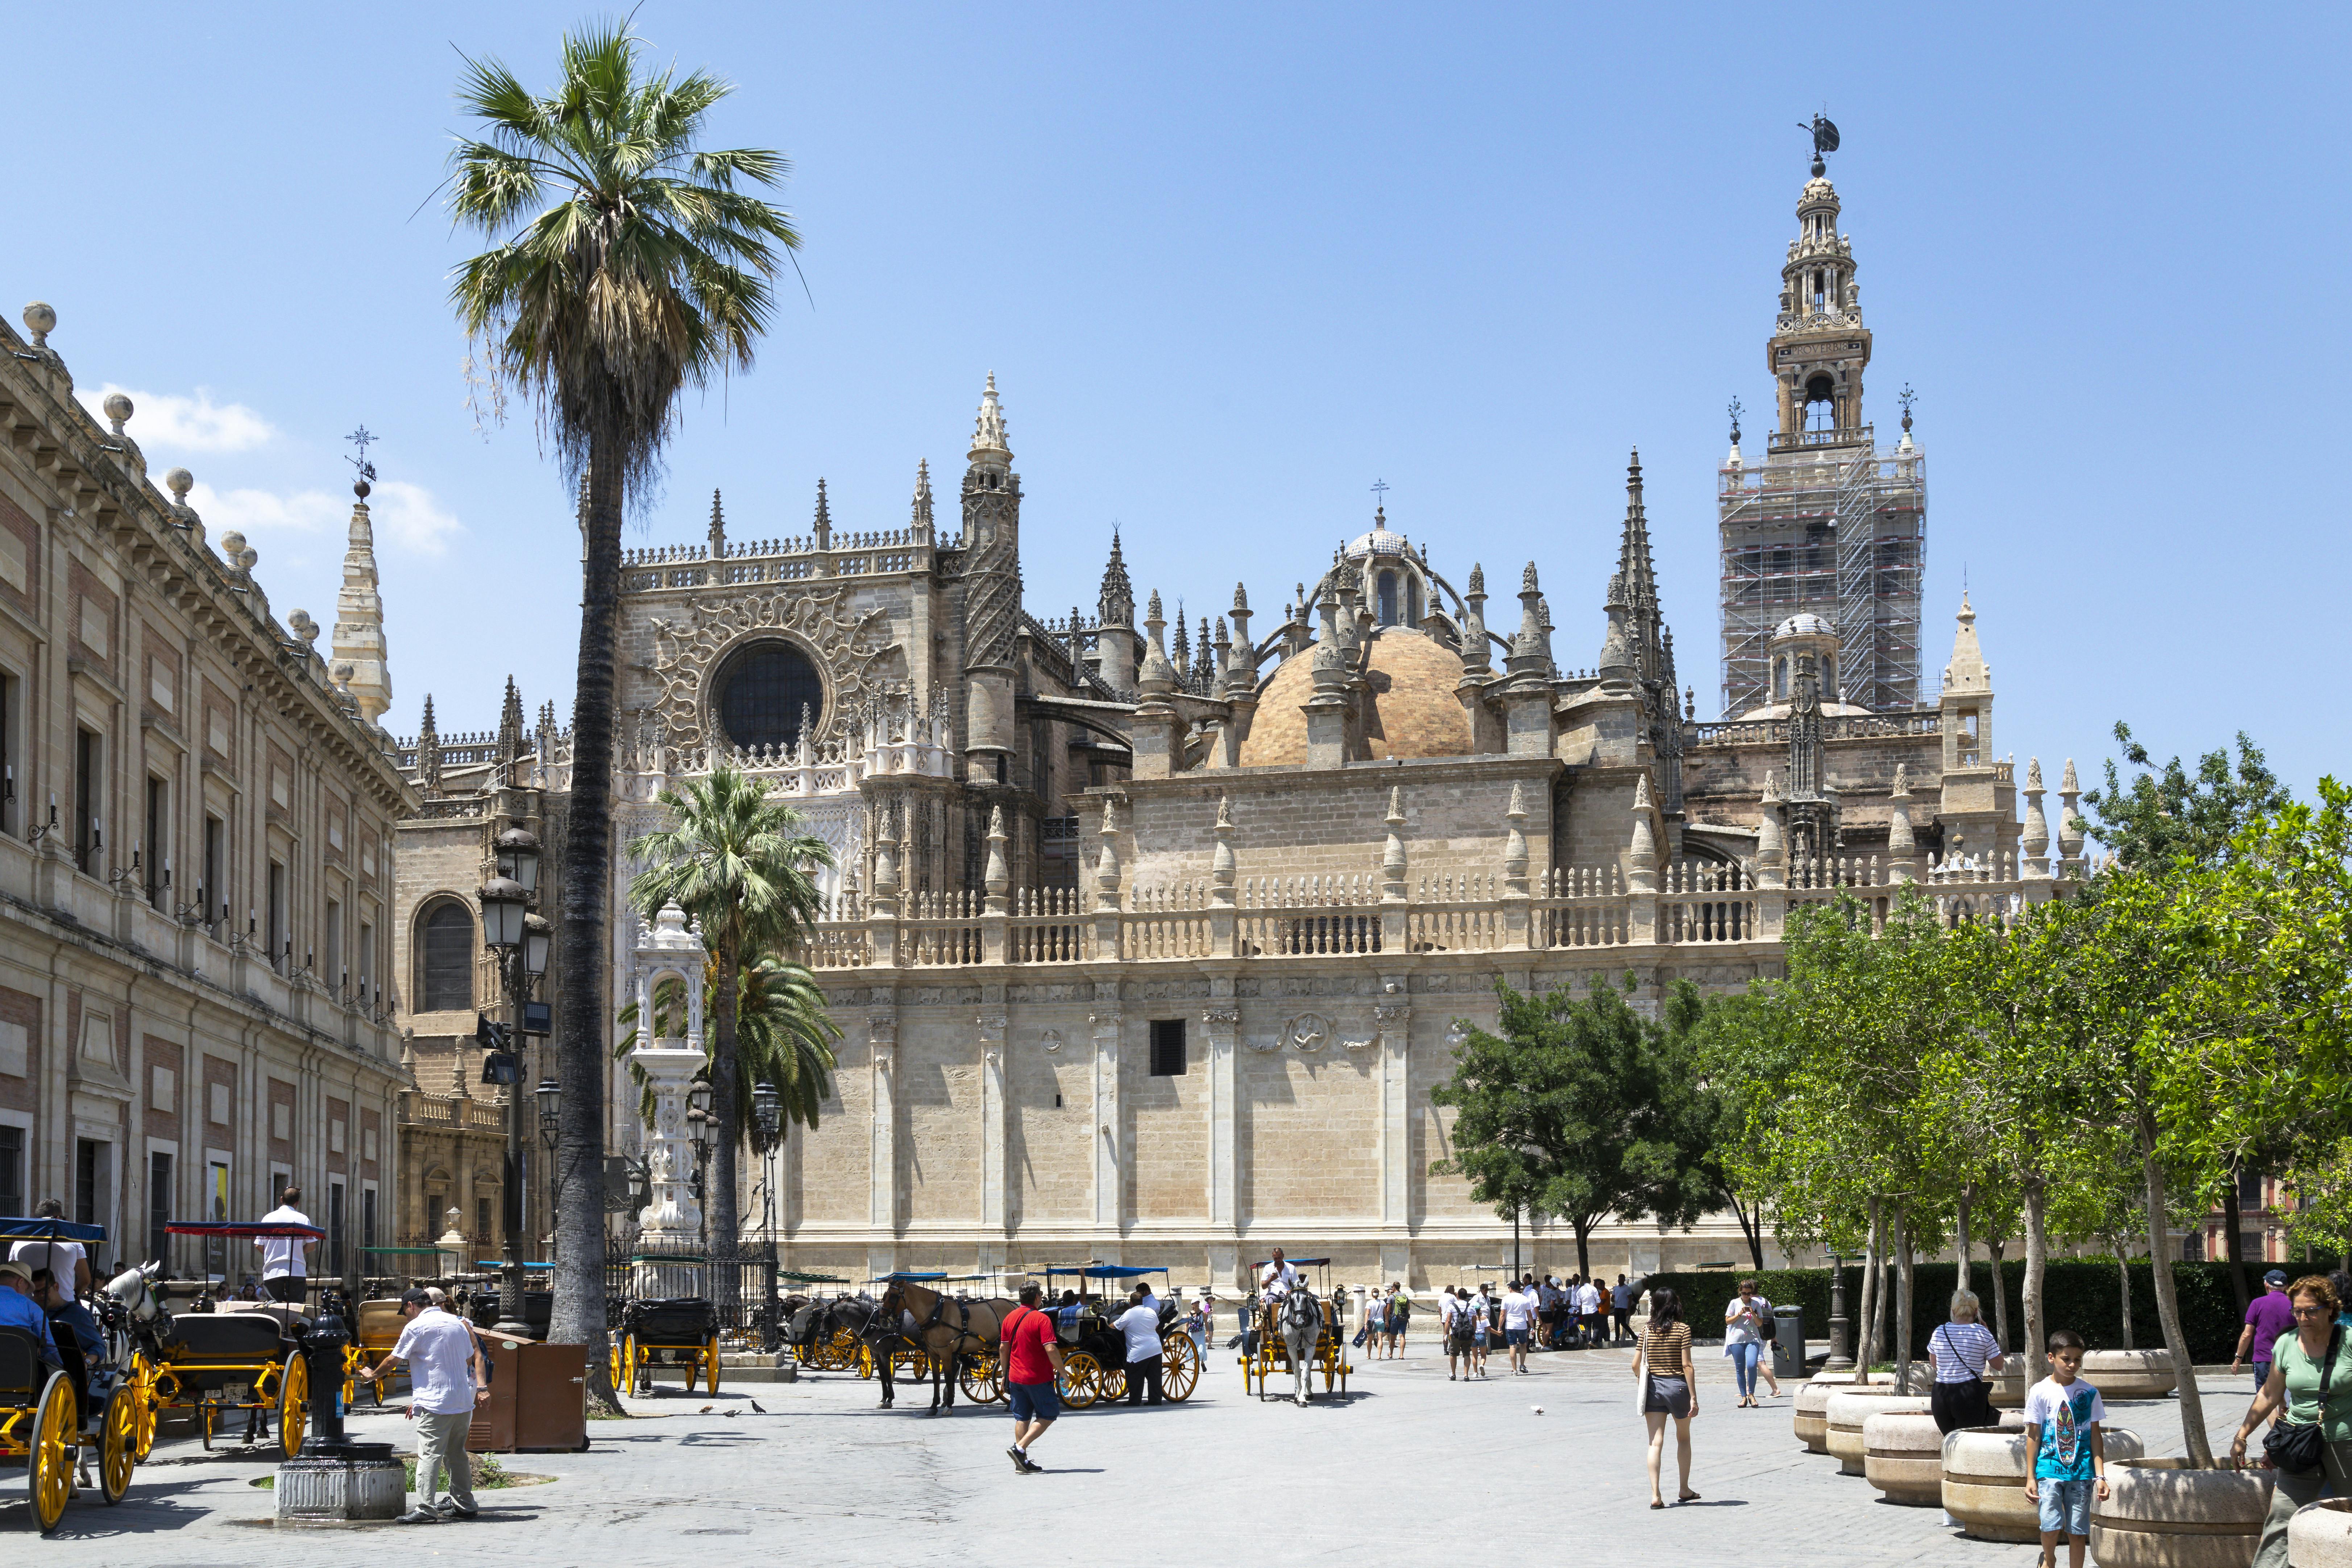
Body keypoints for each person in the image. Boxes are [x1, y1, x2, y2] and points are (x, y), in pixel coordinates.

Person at [2234, 1275, 2352, 1568]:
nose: (2302, 1317)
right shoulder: (2286, 1343)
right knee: (2281, 1518)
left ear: (2329, 1309)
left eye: (2310, 1310)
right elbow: (2270, 1394)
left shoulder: (2348, 1341)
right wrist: (2242, 1434)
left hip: (2345, 1444)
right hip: (2299, 1443)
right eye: (2297, 1311)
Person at [352, 1287, 488, 1524]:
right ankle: (465, 1505)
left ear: (411, 1306)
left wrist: (373, 1376)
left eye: (405, 1312)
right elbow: (470, 1357)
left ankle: (426, 1508)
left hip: (436, 1402)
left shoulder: (416, 1327)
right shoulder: (457, 1323)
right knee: (457, 1455)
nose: (407, 1316)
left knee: (429, 1456)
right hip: (462, 1401)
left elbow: (393, 1359)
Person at [2023, 1329, 2109, 1568]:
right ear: (2051, 1358)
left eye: (2077, 1360)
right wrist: (2030, 1477)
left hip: (2081, 1474)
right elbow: (2033, 1435)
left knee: (2077, 1532)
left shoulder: (2090, 1393)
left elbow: (2095, 1435)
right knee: (2050, 1527)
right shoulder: (2039, 1391)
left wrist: (2100, 1475)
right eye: (2066, 1359)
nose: (2072, 1365)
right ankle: (2048, 1559)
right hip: (2048, 1471)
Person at [1633, 1286, 1700, 1507]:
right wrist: (1693, 1397)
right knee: (1684, 1438)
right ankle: (1684, 1489)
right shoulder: (1683, 1329)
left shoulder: (1647, 1330)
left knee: (1655, 1442)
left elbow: (1635, 1365)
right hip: (1677, 1387)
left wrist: (1641, 1381)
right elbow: (1687, 1366)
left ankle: (1656, 1495)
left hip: (1653, 1388)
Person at [999, 1283, 1065, 1473]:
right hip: (1037, 1377)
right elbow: (1051, 1348)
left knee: (1022, 1418)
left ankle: (1022, 1463)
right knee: (1049, 1415)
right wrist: (1063, 1372)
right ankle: (1019, 1449)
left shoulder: (1009, 1318)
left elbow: (1004, 1348)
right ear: (1037, 1297)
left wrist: (1005, 1374)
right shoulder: (1041, 1319)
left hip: (1016, 1377)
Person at [1929, 1290, 2007, 1434]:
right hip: (1969, 1394)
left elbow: (1935, 1364)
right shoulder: (1982, 1332)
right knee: (1968, 1444)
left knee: (1950, 1444)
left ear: (1953, 1310)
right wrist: (1988, 1336)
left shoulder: (1939, 1331)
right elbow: (1999, 1365)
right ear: (1976, 1311)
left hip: (1941, 1393)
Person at [9, 1200, 93, 1297]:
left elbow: (13, 1277)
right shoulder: (72, 1241)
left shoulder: (19, 1242)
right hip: (64, 1304)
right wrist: (72, 1297)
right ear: (58, 1218)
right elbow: (85, 1279)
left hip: (30, 1304)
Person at [2235, 1270, 2297, 1392]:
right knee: (2288, 1399)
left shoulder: (2257, 1304)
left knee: (2265, 1398)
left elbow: (2247, 1334)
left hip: (2264, 1358)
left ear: (2266, 1285)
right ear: (2287, 1286)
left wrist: (2238, 1358)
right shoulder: (2295, 1305)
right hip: (2289, 1358)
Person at [257, 1186, 315, 1306]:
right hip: (296, 1270)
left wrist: (272, 1254)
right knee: (296, 1308)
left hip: (272, 1270)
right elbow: (312, 1246)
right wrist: (298, 1252)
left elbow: (259, 1245)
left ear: (281, 1199)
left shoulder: (268, 1218)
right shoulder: (303, 1219)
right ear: (297, 1203)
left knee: (274, 1307)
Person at [0, 1260, 61, 1368]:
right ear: (20, 1282)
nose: (25, 1292)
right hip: (20, 1371)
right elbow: (50, 1346)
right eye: (27, 1288)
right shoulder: (31, 1307)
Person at [1724, 1280, 1771, 1407]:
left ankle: (1752, 1394)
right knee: (1740, 1369)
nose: (1746, 1296)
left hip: (1753, 1339)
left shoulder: (1756, 1304)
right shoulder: (1734, 1303)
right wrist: (1739, 1314)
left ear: (1752, 1293)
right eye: (1744, 1293)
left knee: (1751, 1365)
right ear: (1740, 1292)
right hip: (1736, 1340)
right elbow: (1728, 1321)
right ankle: (1744, 1397)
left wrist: (1753, 1313)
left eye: (1749, 1293)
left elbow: (1760, 1323)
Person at [1502, 1277, 1534, 1374]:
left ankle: (1514, 1369)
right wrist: (1532, 1327)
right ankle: (1522, 1365)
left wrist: (1499, 1327)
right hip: (1522, 1325)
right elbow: (1529, 1315)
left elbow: (1503, 1314)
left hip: (1511, 1326)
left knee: (1513, 1346)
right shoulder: (1525, 1299)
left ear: (1511, 1289)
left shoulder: (1506, 1299)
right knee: (1523, 1345)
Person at [1444, 1288, 1473, 1380]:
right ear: (1466, 1296)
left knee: (1453, 1354)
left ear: (1458, 1296)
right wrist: (1473, 1334)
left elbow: (1448, 1321)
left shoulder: (1452, 1306)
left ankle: (1453, 1374)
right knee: (1467, 1354)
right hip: (1468, 1334)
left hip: (1456, 1334)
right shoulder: (1471, 1307)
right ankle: (1466, 1375)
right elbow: (1474, 1322)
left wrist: (1446, 1334)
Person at [1385, 1284, 1410, 1357]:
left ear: (1394, 1287)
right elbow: (1408, 1308)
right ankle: (1401, 1355)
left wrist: (1387, 1319)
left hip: (1395, 1318)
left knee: (1393, 1338)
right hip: (1404, 1318)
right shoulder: (1405, 1296)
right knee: (1402, 1337)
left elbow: (1388, 1310)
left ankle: (1391, 1354)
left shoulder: (1392, 1297)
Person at [1613, 1275, 1638, 1345]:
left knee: (1623, 1323)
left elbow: (1630, 1299)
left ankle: (1633, 1335)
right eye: (1619, 1279)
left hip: (1624, 1308)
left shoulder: (1627, 1289)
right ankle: (1617, 1338)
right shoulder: (1616, 1289)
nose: (1620, 1281)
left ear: (1624, 1280)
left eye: (1621, 1279)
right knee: (1617, 1324)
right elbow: (1613, 1297)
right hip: (1617, 1308)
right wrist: (1612, 1299)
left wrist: (1628, 1310)